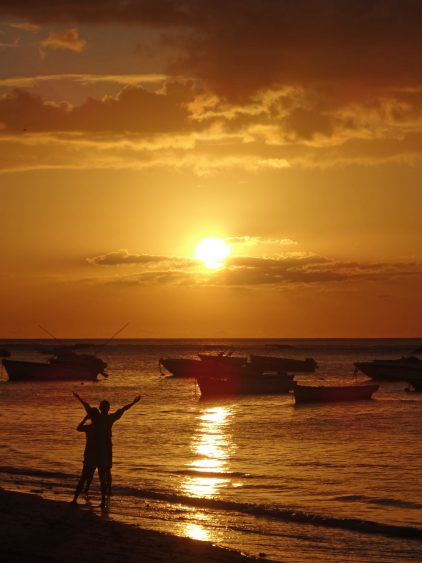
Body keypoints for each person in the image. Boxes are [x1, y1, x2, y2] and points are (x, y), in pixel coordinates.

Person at [73, 392, 141, 506]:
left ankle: (79, 498)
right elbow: (123, 409)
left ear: (100, 408)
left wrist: (79, 398)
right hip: (104, 450)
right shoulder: (108, 419)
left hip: (96, 452)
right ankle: (104, 498)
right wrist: (133, 402)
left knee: (87, 475)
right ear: (107, 408)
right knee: (103, 474)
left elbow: (87, 407)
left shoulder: (94, 420)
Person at [71, 407, 106, 504]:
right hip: (98, 455)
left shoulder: (90, 427)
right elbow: (78, 428)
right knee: (100, 478)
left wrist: (85, 418)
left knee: (85, 477)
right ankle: (103, 501)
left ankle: (75, 499)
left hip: (92, 455)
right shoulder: (100, 427)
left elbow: (78, 427)